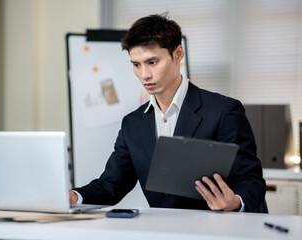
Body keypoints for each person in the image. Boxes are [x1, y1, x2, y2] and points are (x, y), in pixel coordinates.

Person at [70, 14, 266, 212]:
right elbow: (111, 185)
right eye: (136, 65)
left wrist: (236, 202)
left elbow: (250, 178)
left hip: (217, 228)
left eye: (152, 62)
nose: (144, 74)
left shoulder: (224, 111)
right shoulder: (133, 124)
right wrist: (74, 197)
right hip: (162, 230)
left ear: (178, 54)